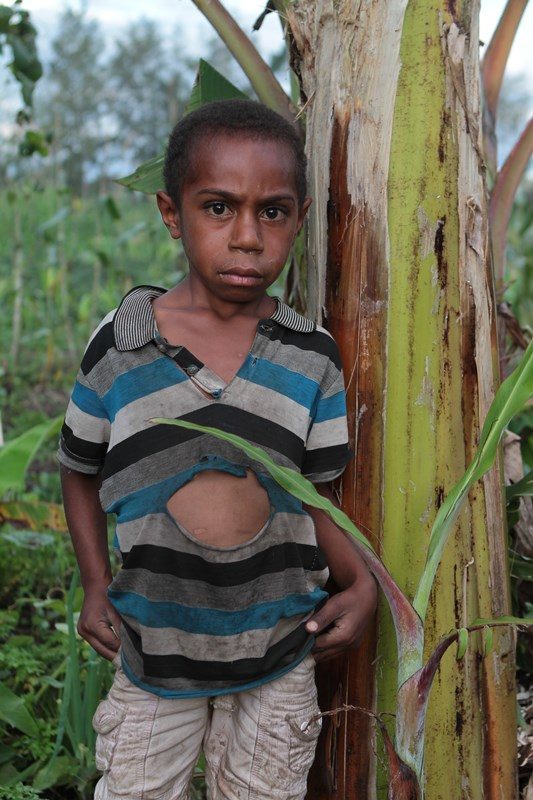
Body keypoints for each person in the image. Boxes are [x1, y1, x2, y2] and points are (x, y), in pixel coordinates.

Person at [58, 99, 377, 800]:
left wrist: (361, 585)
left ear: (298, 220)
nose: (246, 238)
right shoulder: (122, 348)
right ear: (173, 215)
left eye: (272, 212)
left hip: (278, 651)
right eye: (217, 208)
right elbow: (78, 469)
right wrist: (90, 582)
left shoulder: (309, 359)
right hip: (152, 653)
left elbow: (315, 494)